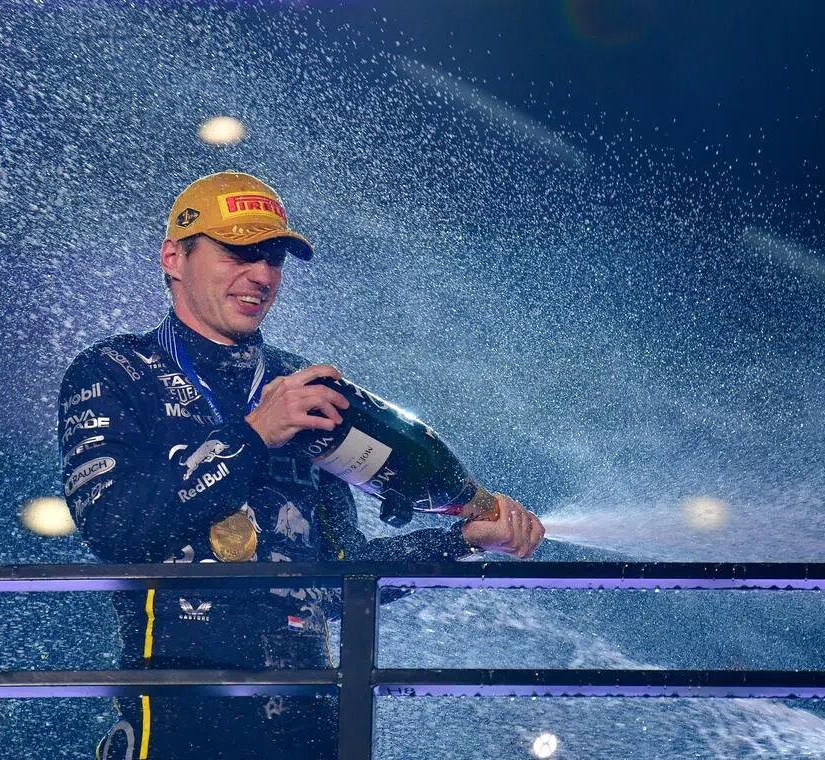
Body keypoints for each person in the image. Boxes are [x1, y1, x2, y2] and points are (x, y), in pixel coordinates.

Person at [59, 171, 544, 760]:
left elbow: (338, 581)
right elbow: (115, 527)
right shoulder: (114, 371)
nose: (261, 275)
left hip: (313, 714)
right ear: (174, 258)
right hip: (179, 709)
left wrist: (460, 541)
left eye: (273, 258)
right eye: (238, 251)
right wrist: (255, 435)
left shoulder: (307, 387)